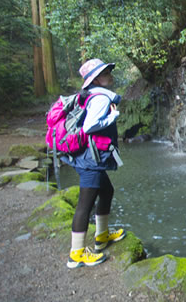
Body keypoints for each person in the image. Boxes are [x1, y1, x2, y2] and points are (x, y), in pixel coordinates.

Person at [63, 58, 126, 269]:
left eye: (108, 71)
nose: (110, 74)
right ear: (96, 79)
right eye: (106, 72)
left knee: (107, 191)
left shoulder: (91, 95)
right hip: (90, 159)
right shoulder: (100, 99)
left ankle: (102, 236)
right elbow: (90, 126)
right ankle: (77, 254)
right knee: (85, 204)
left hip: (89, 157)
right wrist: (113, 116)